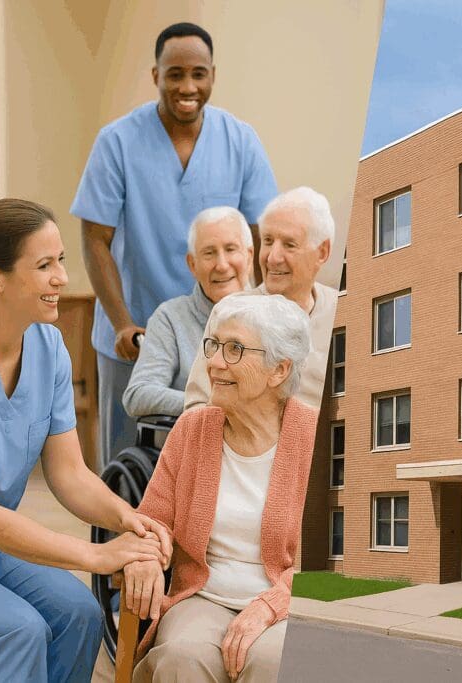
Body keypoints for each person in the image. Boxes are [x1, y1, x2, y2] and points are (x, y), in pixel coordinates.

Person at [0, 198, 172, 683]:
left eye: (60, 259)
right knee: (18, 632)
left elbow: (69, 474)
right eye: (44, 265)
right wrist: (97, 556)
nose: (61, 276)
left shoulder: (48, 346)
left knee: (79, 615)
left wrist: (128, 518)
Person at [71, 21, 278, 471]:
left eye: (198, 74)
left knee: (215, 470)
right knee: (127, 468)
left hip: (220, 334)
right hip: (135, 338)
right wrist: (123, 323)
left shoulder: (239, 141)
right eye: (175, 74)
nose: (188, 86)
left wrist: (263, 319)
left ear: (212, 76)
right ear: (156, 77)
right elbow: (95, 239)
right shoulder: (118, 142)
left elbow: (260, 236)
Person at [124, 294, 317, 682]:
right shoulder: (193, 430)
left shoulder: (317, 439)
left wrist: (271, 605)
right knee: (181, 657)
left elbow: (337, 559)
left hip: (290, 603)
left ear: (278, 370)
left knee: (270, 663)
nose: (213, 363)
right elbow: (151, 522)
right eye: (213, 346)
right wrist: (145, 557)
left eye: (234, 350)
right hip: (203, 596)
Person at [185, 187, 338, 411]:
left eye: (289, 244)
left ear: (322, 252)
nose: (272, 257)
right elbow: (196, 408)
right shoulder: (229, 312)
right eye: (267, 241)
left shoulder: (343, 309)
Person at [122, 206, 253, 418]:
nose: (221, 264)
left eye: (230, 249)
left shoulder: (275, 314)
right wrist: (209, 406)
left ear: (249, 256)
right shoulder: (170, 318)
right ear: (192, 264)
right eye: (209, 253)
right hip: (195, 442)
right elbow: (138, 394)